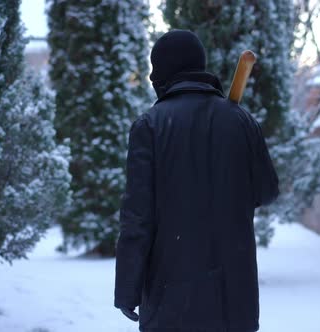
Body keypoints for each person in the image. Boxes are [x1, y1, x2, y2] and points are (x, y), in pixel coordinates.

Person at [114, 30, 279, 332]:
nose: (152, 76)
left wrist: (127, 288)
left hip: (170, 302)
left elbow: (137, 217)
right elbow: (266, 192)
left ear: (167, 69)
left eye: (155, 66)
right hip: (233, 300)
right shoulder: (241, 122)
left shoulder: (149, 127)